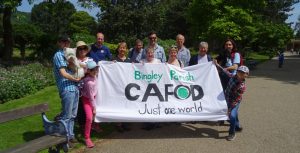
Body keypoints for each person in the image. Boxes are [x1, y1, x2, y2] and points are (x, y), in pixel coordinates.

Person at [53, 35, 81, 147]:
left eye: (68, 42)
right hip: (66, 88)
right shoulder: (58, 55)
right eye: (64, 42)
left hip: (74, 88)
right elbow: (63, 73)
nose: (66, 44)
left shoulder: (69, 54)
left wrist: (73, 64)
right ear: (59, 42)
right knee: (66, 116)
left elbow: (75, 68)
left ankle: (71, 135)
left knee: (73, 115)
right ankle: (64, 139)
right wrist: (75, 78)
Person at [224, 65, 249, 141]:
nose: (240, 73)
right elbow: (226, 72)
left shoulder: (241, 86)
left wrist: (229, 109)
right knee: (235, 114)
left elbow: (236, 99)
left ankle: (232, 133)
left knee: (232, 115)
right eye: (239, 71)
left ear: (246, 75)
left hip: (234, 102)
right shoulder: (234, 76)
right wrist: (217, 64)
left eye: (243, 73)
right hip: (227, 98)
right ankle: (237, 126)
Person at [80, 60, 100, 148]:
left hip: (94, 97)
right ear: (88, 71)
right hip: (87, 100)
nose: (95, 71)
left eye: (96, 69)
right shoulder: (89, 83)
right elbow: (91, 97)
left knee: (96, 114)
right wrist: (94, 108)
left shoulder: (95, 77)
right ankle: (87, 137)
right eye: (93, 70)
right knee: (89, 117)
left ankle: (95, 126)